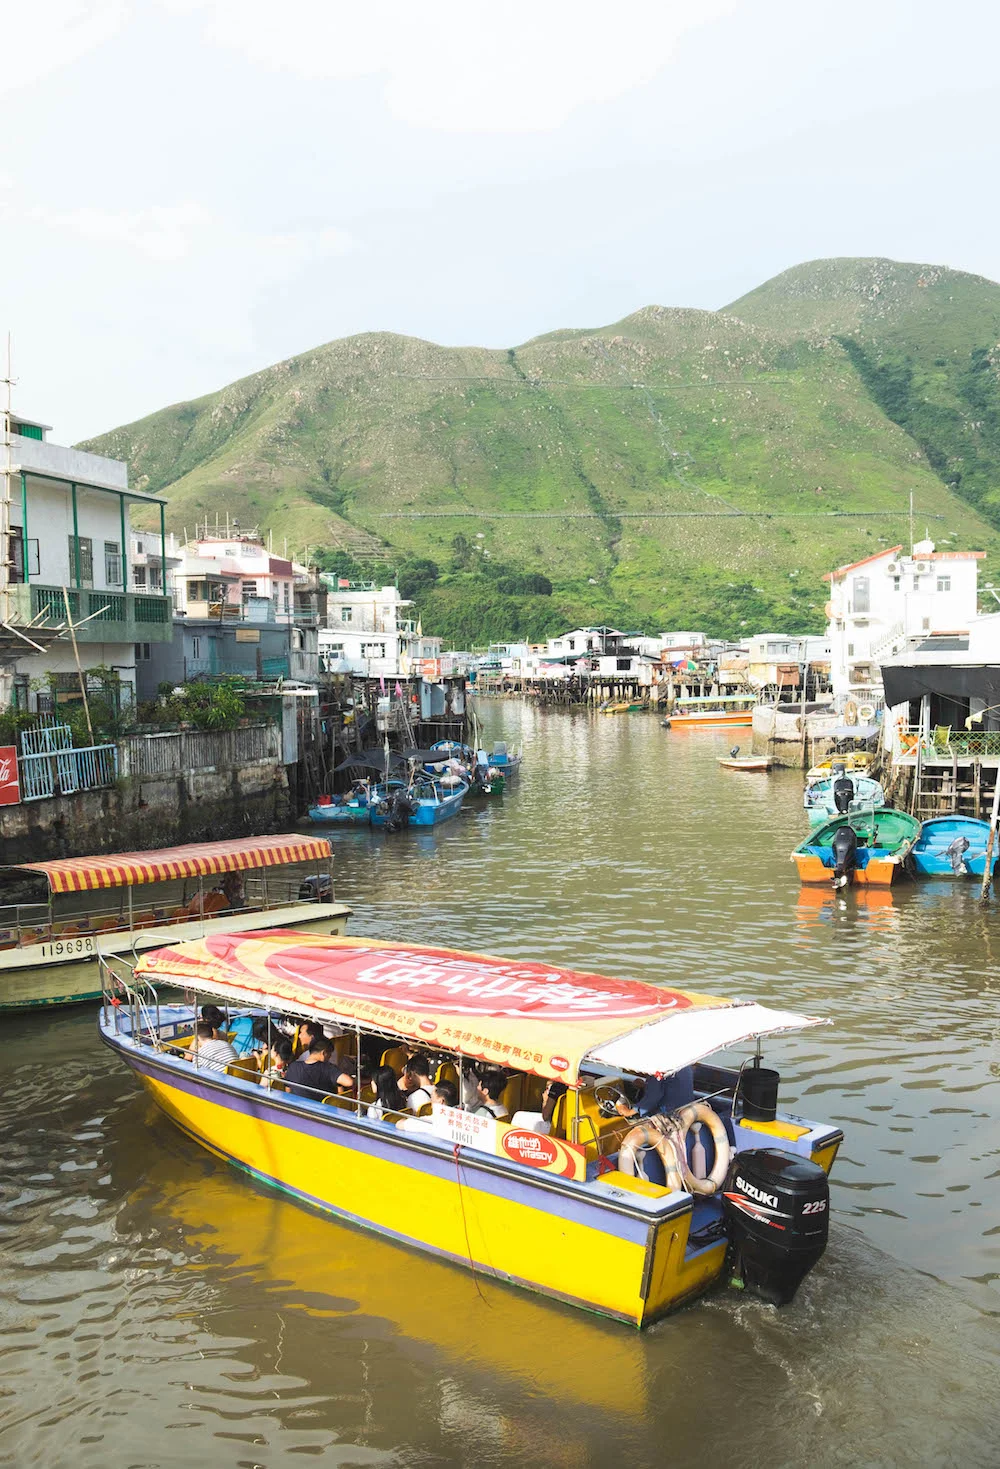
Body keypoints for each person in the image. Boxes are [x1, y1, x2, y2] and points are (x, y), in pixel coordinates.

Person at [284, 1036, 354, 1099]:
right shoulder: (329, 1069)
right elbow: (349, 1082)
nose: (330, 1057)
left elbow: (288, 1091)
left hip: (297, 1109)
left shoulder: (293, 1067)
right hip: (322, 1110)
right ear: (323, 1053)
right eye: (329, 1054)